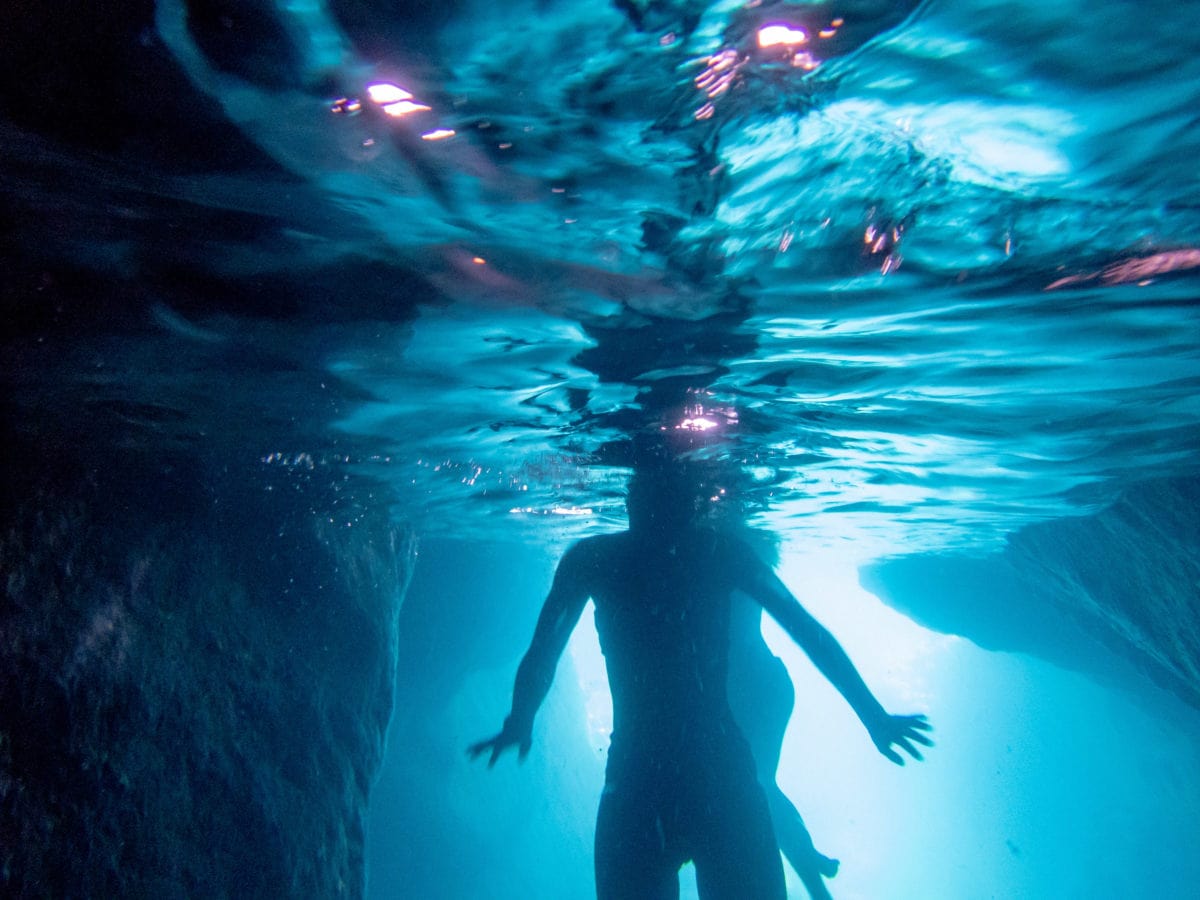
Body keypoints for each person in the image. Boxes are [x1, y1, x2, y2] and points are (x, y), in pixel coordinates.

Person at [470, 468, 931, 900]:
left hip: (640, 779)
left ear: (632, 498)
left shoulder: (596, 560)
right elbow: (808, 632)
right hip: (717, 774)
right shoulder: (717, 553)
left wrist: (521, 719)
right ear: (692, 503)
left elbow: (542, 654)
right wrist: (872, 716)